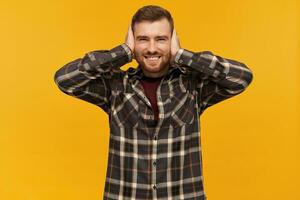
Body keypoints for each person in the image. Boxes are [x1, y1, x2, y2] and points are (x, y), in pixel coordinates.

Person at [54, 5, 253, 200]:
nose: (151, 48)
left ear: (172, 41)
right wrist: (123, 52)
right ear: (133, 41)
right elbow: (65, 79)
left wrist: (182, 55)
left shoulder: (193, 85)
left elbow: (241, 77)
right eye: (142, 39)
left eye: (161, 39)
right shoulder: (115, 85)